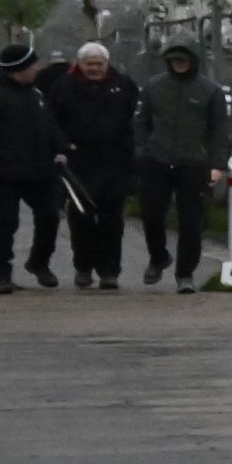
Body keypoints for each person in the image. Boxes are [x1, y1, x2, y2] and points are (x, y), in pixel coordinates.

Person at [133, 42, 226, 292]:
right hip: (157, 160)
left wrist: (218, 164)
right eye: (174, 61)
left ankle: (185, 274)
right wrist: (142, 151)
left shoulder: (210, 91)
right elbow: (141, 122)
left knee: (191, 222)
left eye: (182, 61)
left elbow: (219, 130)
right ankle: (158, 256)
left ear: (193, 61)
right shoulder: (153, 87)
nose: (178, 65)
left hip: (194, 163)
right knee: (151, 215)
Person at [47, 44, 138, 290]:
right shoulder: (62, 87)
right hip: (79, 163)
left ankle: (110, 271)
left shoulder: (124, 85)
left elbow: (134, 120)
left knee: (112, 220)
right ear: (80, 64)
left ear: (107, 64)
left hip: (115, 162)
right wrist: (63, 144)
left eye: (99, 63)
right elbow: (51, 121)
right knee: (81, 219)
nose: (95, 68)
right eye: (90, 64)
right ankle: (84, 267)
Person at [0, 41, 67, 292]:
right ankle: (1, 274)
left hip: (40, 168)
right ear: (19, 68)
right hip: (4, 169)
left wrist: (60, 148)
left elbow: (49, 125)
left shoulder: (35, 93)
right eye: (32, 65)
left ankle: (39, 261)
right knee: (7, 221)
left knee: (50, 215)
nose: (36, 69)